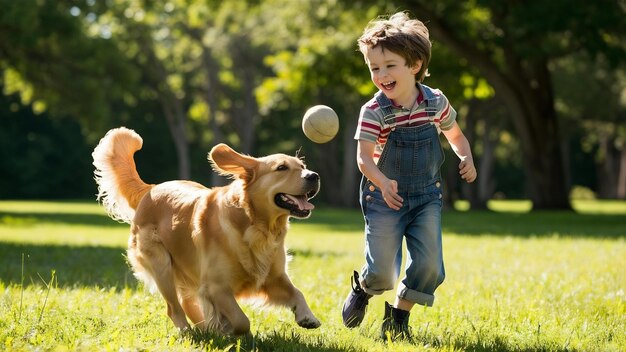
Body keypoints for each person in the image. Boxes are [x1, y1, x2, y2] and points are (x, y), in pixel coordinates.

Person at [342, 11, 477, 340]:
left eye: (390, 66)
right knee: (382, 274)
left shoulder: (435, 103)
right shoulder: (374, 112)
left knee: (430, 268)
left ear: (415, 65)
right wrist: (382, 181)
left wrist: (466, 157)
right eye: (374, 68)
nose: (381, 75)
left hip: (425, 197)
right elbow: (363, 159)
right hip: (384, 198)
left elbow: (456, 136)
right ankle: (363, 289)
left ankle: (398, 319)